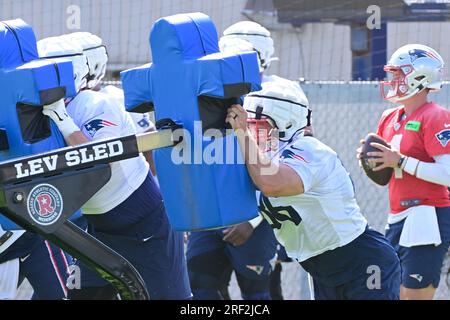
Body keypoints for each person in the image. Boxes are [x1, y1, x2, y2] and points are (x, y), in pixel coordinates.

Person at [37, 35, 191, 300]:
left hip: (145, 227)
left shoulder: (97, 104)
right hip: (97, 230)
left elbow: (98, 162)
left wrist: (63, 120)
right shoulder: (40, 113)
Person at [226, 81, 401, 300]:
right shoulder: (259, 157)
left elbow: (272, 183)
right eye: (248, 126)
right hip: (319, 267)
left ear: (285, 123)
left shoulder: (310, 150)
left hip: (360, 260)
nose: (252, 133)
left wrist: (242, 133)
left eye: (257, 126)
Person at [186, 21, 285, 300]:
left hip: (258, 215)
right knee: (200, 288)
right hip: (210, 214)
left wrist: (253, 219)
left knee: (259, 292)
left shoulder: (276, 99)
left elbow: (281, 167)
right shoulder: (204, 98)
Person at [358, 44, 450, 300]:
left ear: (420, 77)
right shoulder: (389, 117)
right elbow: (386, 173)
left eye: (399, 74)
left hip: (427, 216)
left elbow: (448, 174)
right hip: (397, 216)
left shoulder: (436, 116)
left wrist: (400, 161)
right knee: (392, 293)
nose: (393, 80)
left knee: (414, 296)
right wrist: (374, 161)